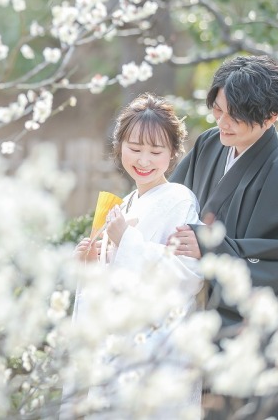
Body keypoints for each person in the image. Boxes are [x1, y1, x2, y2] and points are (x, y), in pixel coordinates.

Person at [169, 55, 278, 420]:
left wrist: (211, 246)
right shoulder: (210, 143)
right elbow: (173, 205)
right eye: (217, 110)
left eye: (235, 116)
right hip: (199, 318)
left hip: (256, 338)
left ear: (270, 117)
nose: (223, 123)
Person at [67, 93, 204, 419]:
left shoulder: (179, 200)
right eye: (135, 148)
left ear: (172, 154)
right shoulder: (124, 203)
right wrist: (91, 264)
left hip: (156, 352)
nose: (144, 160)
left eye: (156, 151)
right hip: (115, 348)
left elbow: (188, 275)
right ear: (120, 146)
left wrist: (127, 242)